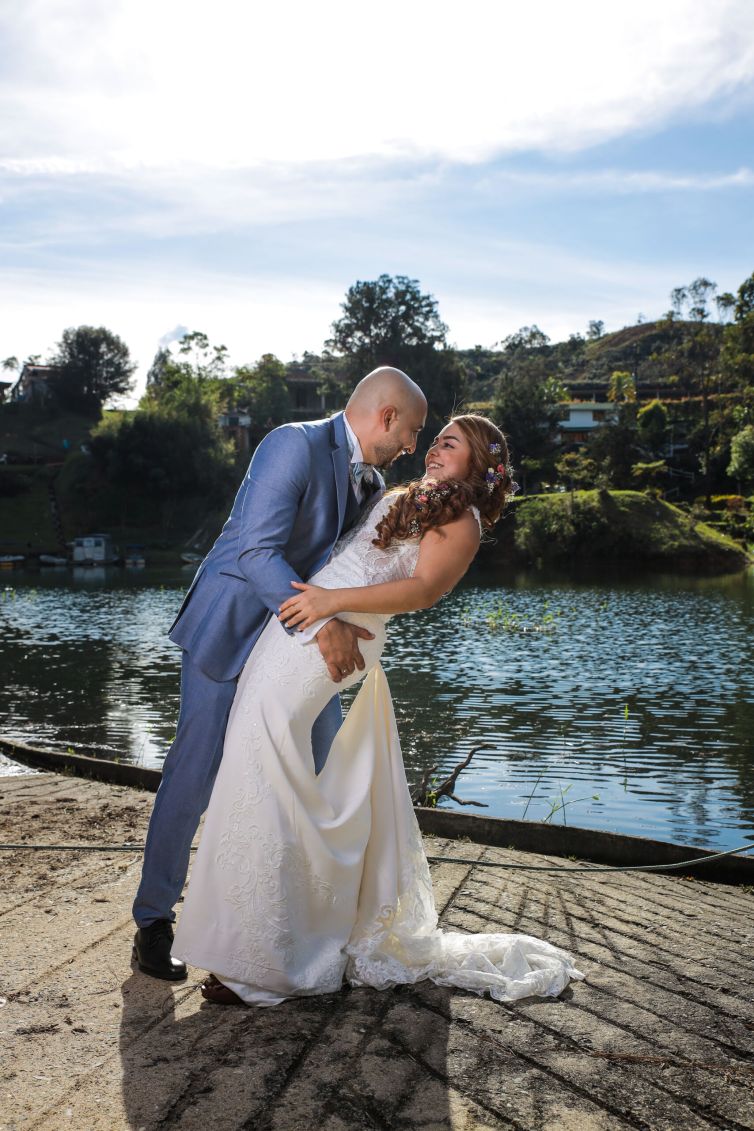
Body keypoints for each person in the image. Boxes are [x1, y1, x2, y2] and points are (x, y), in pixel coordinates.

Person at [172, 415, 584, 1006]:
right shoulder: (407, 498)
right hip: (305, 625)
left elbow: (420, 591)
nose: (433, 447)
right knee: (256, 766)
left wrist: (330, 603)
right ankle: (256, 940)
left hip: (336, 633)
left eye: (450, 442)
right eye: (435, 437)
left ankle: (267, 962)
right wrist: (315, 605)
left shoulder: (461, 520)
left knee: (259, 767)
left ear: (479, 463)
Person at [132, 366, 428, 981]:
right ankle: (154, 920)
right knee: (197, 769)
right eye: (412, 432)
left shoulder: (374, 479)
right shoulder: (292, 443)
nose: (413, 448)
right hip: (235, 627)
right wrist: (323, 625)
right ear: (387, 416)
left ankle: (287, 915)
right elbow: (255, 551)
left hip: (295, 655)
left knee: (317, 772)